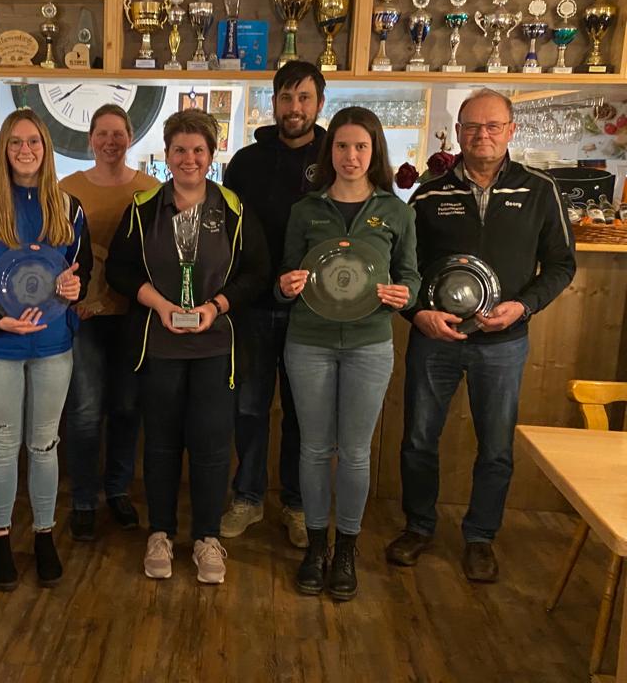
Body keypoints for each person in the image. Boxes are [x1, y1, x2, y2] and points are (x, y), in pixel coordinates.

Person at [386, 88, 576, 582]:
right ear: (459, 132)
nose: (482, 135)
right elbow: (404, 269)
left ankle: (480, 537)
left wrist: (524, 306)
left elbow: (560, 265)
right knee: (419, 439)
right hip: (436, 339)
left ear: (512, 131)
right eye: (472, 126)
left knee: (495, 445)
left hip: (504, 343)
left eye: (493, 126)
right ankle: (420, 527)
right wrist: (417, 315)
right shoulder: (428, 192)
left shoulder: (539, 190)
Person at [107, 109, 269, 585]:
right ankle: (160, 532)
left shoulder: (235, 208)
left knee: (212, 445)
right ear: (167, 154)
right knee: (158, 445)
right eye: (180, 149)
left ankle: (205, 537)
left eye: (198, 150)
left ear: (212, 155)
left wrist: (216, 306)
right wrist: (159, 304)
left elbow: (257, 272)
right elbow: (118, 269)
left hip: (216, 346)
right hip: (159, 346)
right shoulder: (142, 207)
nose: (189, 158)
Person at [0, 108, 91, 591]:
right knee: (4, 447)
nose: (25, 151)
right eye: (15, 143)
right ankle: (2, 539)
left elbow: (78, 271)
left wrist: (74, 289)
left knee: (45, 445)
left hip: (53, 346)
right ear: (3, 149)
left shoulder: (69, 208)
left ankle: (44, 535)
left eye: (34, 142)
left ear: (46, 149)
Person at [278, 107, 420, 601]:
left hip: (369, 344)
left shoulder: (396, 211)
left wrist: (406, 293)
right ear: (329, 151)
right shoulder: (306, 210)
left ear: (374, 151)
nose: (351, 156)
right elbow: (283, 279)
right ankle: (315, 546)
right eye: (342, 146)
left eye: (361, 147)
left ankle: (347, 550)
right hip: (309, 342)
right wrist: (285, 284)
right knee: (315, 449)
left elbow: (411, 276)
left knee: (356, 454)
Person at [220, 60, 326, 547]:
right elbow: (226, 231)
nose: (294, 108)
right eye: (286, 98)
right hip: (253, 307)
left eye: (304, 97)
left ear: (319, 104)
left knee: (304, 412)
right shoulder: (245, 161)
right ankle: (247, 498)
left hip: (316, 311)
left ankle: (298, 505)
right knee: (249, 408)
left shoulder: (335, 155)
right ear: (274, 103)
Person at [59, 105, 159, 541]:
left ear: (130, 136)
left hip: (136, 317)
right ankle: (83, 497)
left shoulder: (152, 189)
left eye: (118, 133)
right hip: (83, 318)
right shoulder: (66, 189)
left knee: (126, 408)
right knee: (83, 412)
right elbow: (53, 253)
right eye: (102, 133)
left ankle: (117, 490)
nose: (110, 141)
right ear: (90, 139)